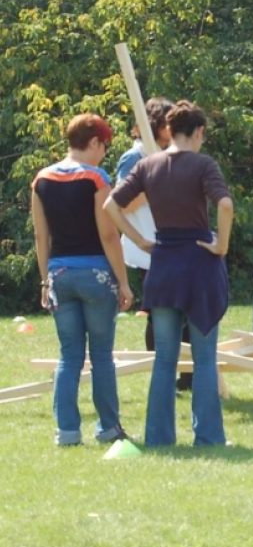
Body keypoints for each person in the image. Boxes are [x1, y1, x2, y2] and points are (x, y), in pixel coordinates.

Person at [104, 100, 234, 446]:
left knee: (165, 358)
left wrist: (141, 241)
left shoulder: (148, 165)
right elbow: (224, 204)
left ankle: (159, 439)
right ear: (199, 132)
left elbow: (110, 205)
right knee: (204, 358)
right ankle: (208, 438)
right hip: (199, 264)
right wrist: (221, 245)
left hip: (163, 264)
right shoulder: (204, 164)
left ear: (170, 131)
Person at [31, 114, 133, 446]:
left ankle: (67, 432)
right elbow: (108, 234)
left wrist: (45, 280)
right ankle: (108, 428)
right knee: (101, 355)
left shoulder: (41, 180)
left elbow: (40, 237)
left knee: (69, 355)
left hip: (59, 273)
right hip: (95, 274)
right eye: (104, 145)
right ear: (92, 142)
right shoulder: (96, 178)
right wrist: (123, 281)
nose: (104, 152)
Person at [115, 97, 173, 352]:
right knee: (161, 311)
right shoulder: (134, 157)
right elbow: (120, 204)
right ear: (156, 124)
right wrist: (154, 185)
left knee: (178, 309)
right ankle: (162, 370)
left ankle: (185, 376)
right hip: (147, 246)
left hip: (170, 244)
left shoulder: (167, 154)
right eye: (168, 123)